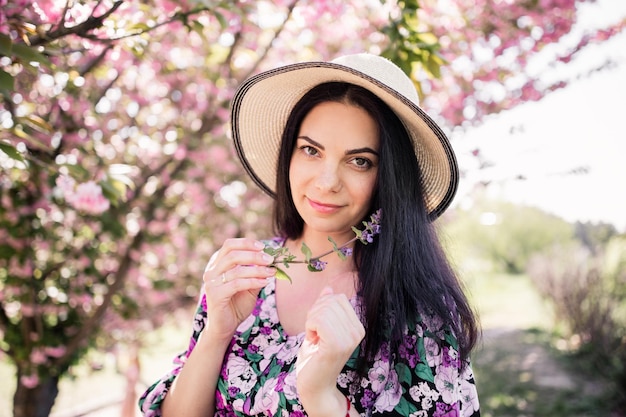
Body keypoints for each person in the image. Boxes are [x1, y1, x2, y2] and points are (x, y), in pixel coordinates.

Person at [139, 53, 481, 416]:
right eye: (311, 150)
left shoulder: (417, 303)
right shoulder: (244, 271)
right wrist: (216, 332)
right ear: (290, 154)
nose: (326, 182)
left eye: (359, 161)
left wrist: (321, 396)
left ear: (390, 179)